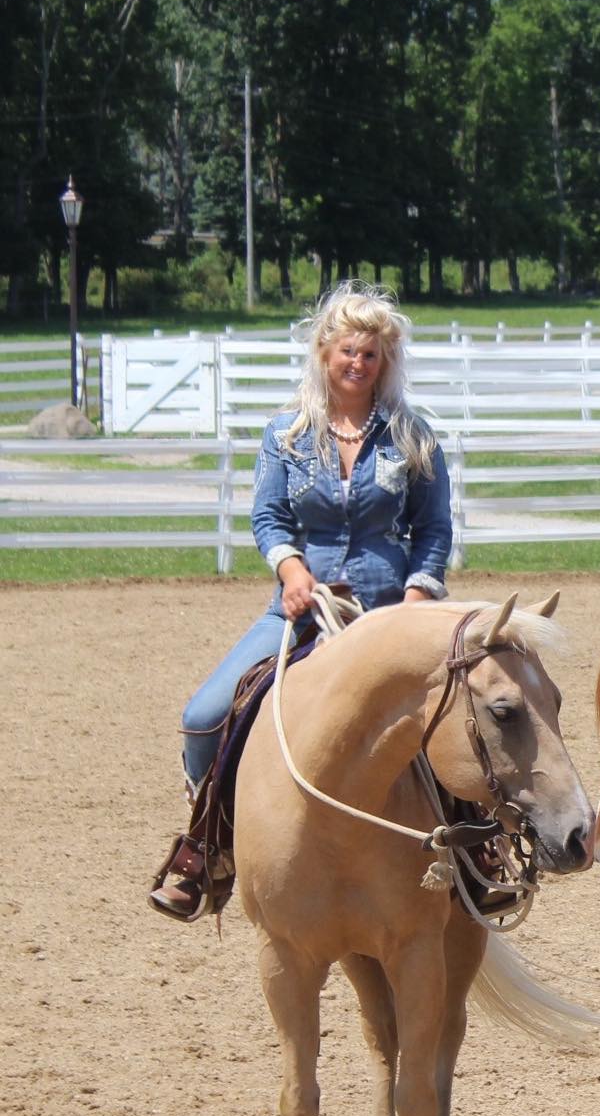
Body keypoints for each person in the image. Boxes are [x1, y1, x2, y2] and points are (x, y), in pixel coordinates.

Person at [149, 281, 452, 921]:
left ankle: (479, 861)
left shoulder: (412, 436)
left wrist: (418, 595)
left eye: (370, 354)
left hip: (390, 613)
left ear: (384, 362)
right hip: (301, 608)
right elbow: (268, 517)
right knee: (205, 716)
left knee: (459, 714)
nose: (358, 364)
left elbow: (433, 529)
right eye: (348, 352)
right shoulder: (286, 435)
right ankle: (213, 849)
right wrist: (290, 572)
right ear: (324, 353)